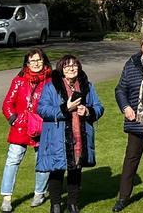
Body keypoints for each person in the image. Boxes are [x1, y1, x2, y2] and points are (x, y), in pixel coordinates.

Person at [36, 55, 104, 213]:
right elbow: (42, 109)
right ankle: (55, 204)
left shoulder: (87, 86)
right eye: (67, 66)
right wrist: (64, 108)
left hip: (80, 134)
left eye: (74, 65)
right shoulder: (51, 86)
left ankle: (73, 203)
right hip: (57, 136)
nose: (71, 69)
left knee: (75, 169)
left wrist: (87, 110)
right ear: (61, 70)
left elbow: (99, 106)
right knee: (57, 170)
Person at [113, 32, 143, 212]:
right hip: (136, 119)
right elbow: (120, 89)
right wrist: (125, 107)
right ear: (141, 47)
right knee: (131, 158)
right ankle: (123, 197)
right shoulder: (132, 63)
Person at [0, 48, 53, 213]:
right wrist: (14, 120)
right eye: (32, 61)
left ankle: (39, 193)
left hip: (42, 127)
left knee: (42, 160)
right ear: (27, 63)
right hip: (21, 127)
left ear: (44, 61)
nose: (36, 64)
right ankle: (6, 198)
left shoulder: (51, 81)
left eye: (39, 60)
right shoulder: (19, 81)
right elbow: (7, 104)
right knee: (13, 160)